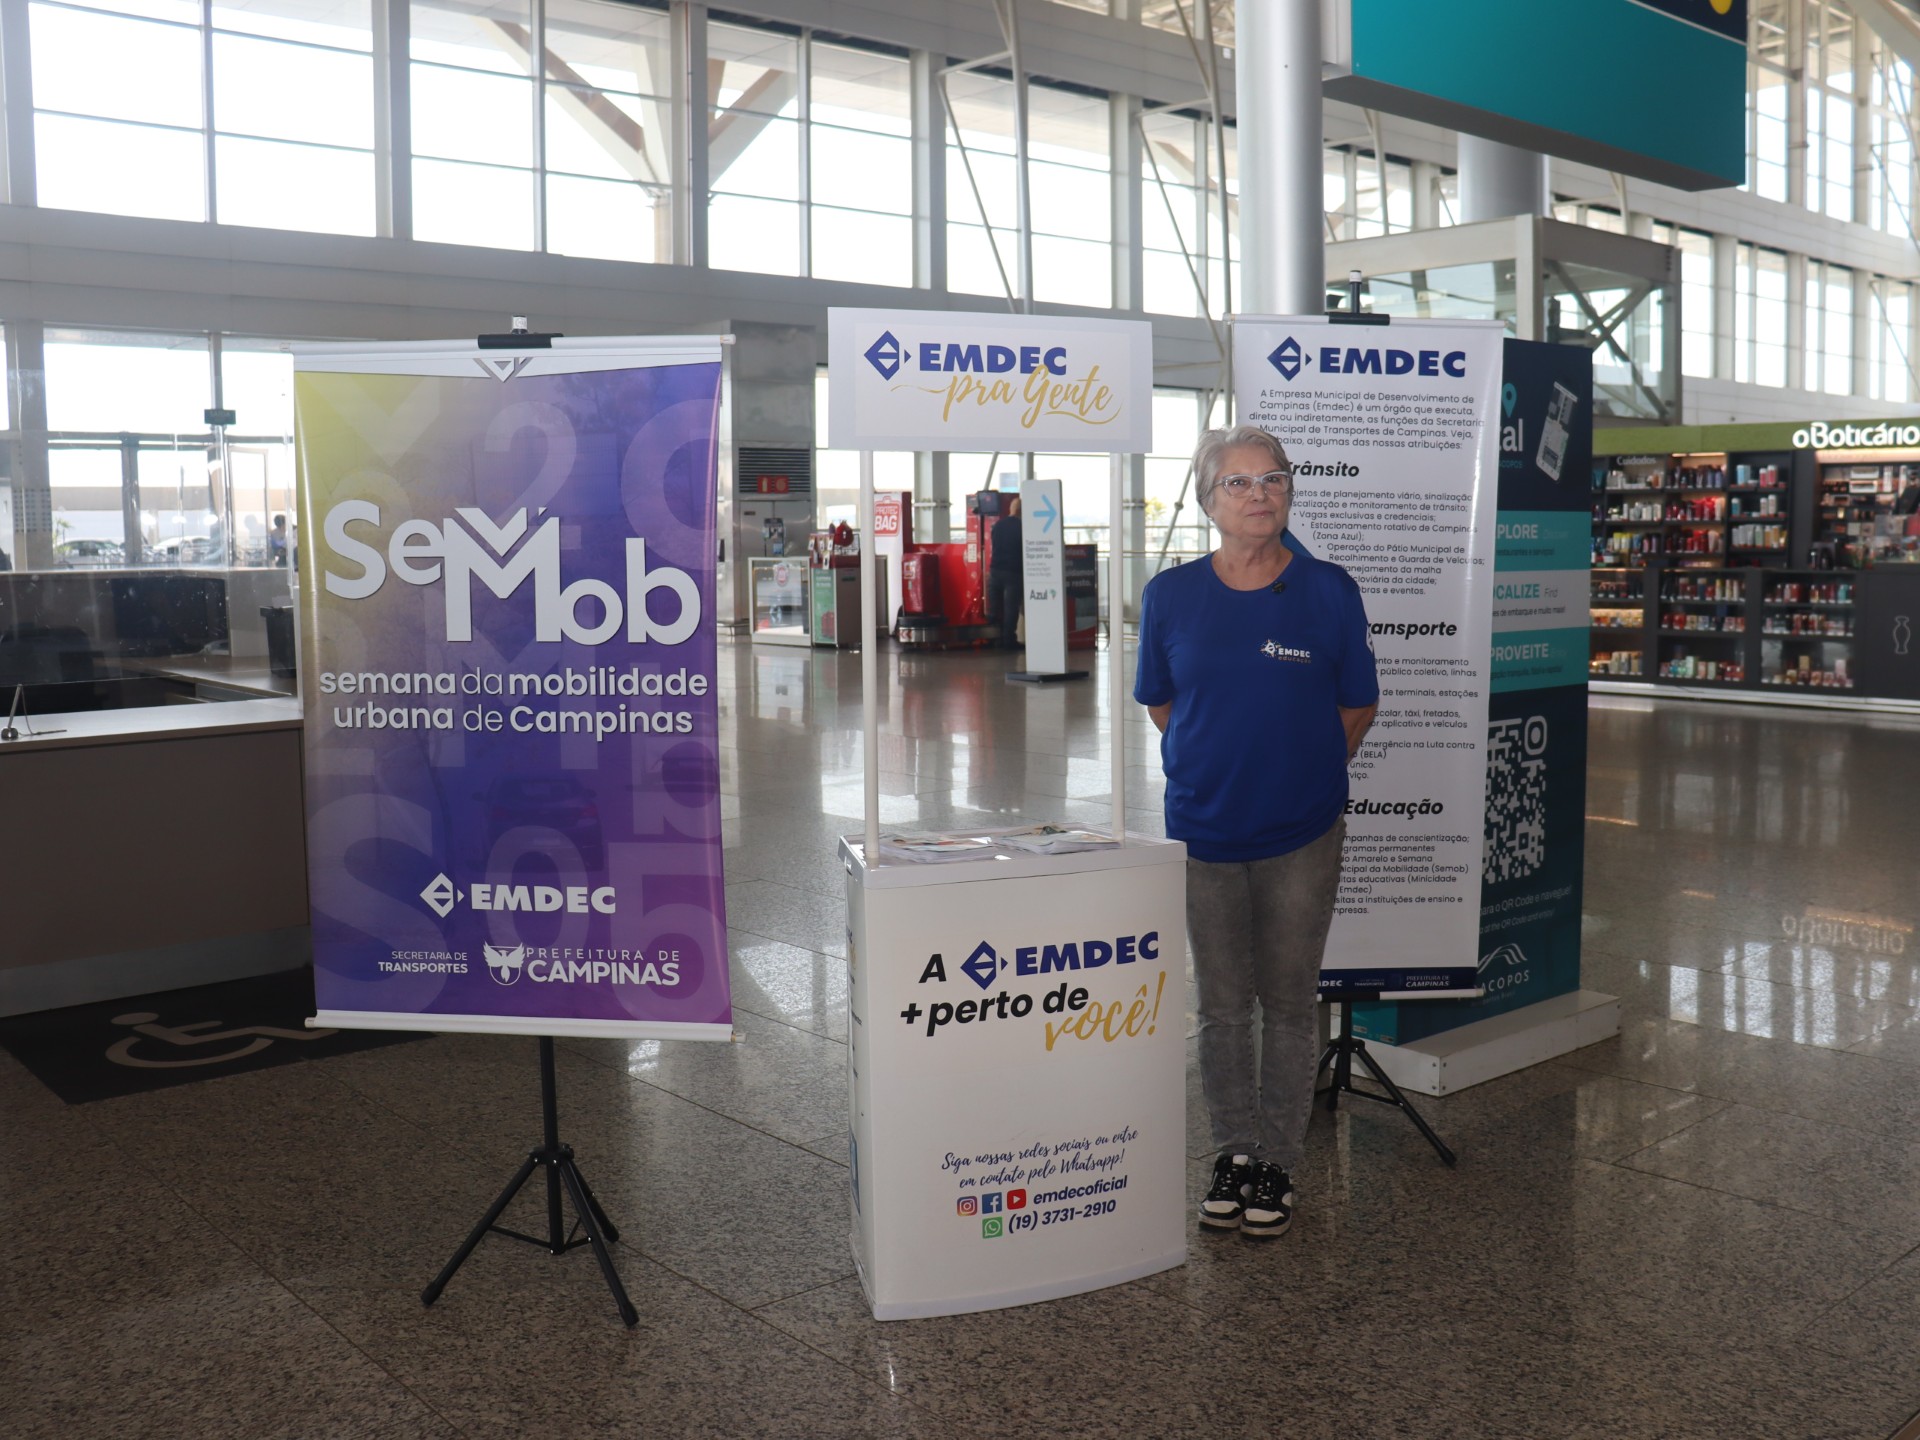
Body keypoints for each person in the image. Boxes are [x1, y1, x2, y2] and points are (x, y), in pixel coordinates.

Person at [1133, 424, 1378, 1241]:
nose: (1259, 494)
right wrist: (1215, 765)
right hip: (1203, 832)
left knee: (1290, 1000)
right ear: (1208, 500)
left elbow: (1358, 704)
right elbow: (1162, 703)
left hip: (1303, 832)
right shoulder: (1170, 595)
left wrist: (1301, 772)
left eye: (1273, 478)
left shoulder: (1329, 590)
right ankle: (1233, 1151)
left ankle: (1279, 1160)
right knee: (1223, 1005)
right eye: (1238, 482)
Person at [988, 494, 1023, 650]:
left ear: (1011, 509)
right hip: (1012, 572)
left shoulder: (998, 525)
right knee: (1011, 608)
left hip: (995, 571)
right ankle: (1009, 641)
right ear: (1021, 511)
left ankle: (995, 638)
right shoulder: (1022, 527)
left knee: (995, 608)